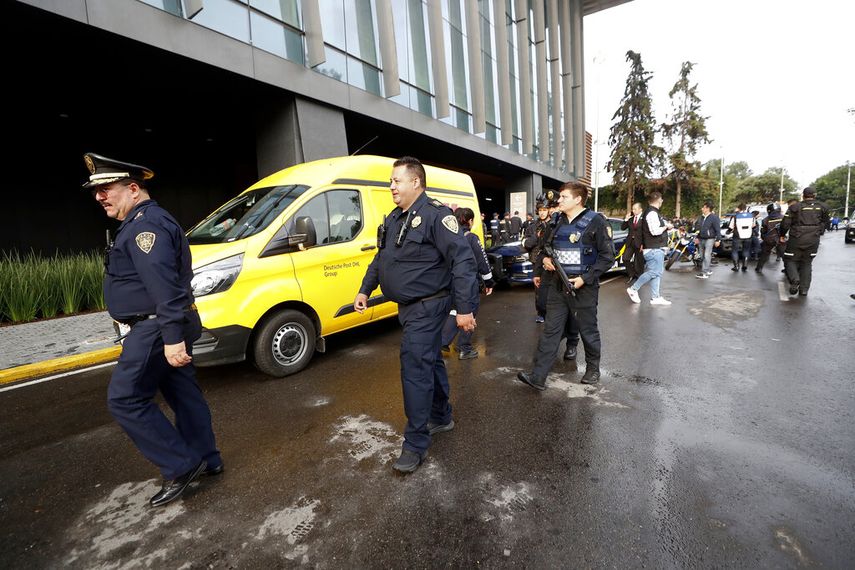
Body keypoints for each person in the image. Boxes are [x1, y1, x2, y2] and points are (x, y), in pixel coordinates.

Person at [83, 152, 222, 508]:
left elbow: (165, 287)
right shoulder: (145, 221)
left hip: (156, 327)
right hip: (163, 324)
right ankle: (207, 458)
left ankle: (181, 465)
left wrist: (173, 339)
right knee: (184, 395)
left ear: (132, 188)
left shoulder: (146, 227)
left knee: (125, 399)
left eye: (106, 188)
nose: (99, 196)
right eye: (95, 190)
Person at [354, 156, 478, 474]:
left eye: (396, 180)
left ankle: (416, 443)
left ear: (415, 182)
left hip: (429, 307)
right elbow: (381, 261)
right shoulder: (395, 219)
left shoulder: (437, 217)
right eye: (391, 181)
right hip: (408, 309)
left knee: (414, 367)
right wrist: (365, 289)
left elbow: (463, 261)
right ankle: (441, 416)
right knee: (430, 361)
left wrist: (464, 309)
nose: (391, 186)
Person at [517, 181, 614, 389]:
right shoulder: (556, 222)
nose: (558, 200)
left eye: (564, 197)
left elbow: (607, 258)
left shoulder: (596, 221)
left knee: (587, 330)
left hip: (583, 287)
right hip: (557, 285)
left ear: (578, 199)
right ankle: (538, 376)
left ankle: (592, 369)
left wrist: (584, 279)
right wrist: (544, 261)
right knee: (551, 330)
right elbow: (544, 249)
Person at [441, 207, 495, 359]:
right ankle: (464, 348)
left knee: (455, 310)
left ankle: (443, 341)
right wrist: (489, 281)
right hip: (468, 283)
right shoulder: (471, 238)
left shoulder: (447, 237)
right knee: (469, 312)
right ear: (470, 221)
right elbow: (482, 261)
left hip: (451, 282)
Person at [779, 187, 830, 296]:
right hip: (813, 239)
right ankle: (804, 290)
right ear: (814, 195)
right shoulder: (823, 207)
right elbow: (826, 223)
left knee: (790, 260)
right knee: (807, 263)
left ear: (803, 195)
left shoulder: (794, 207)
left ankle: (794, 279)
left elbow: (785, 224)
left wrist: (782, 235)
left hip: (796, 238)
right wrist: (819, 231)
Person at [626, 191, 674, 305]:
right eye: (661, 199)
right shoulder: (652, 213)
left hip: (654, 248)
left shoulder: (651, 212)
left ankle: (655, 297)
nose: (662, 201)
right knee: (654, 272)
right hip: (654, 248)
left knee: (657, 273)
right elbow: (655, 231)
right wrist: (666, 226)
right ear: (658, 200)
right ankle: (633, 289)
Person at [693, 201, 721, 279]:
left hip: (710, 239)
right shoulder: (700, 217)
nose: (702, 209)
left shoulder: (714, 217)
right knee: (701, 256)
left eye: (703, 207)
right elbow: (698, 228)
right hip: (701, 238)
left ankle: (704, 273)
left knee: (707, 254)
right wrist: (697, 238)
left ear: (707, 208)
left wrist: (718, 240)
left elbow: (718, 229)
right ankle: (707, 269)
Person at [755, 202, 784, 273]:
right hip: (781, 238)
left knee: (764, 254)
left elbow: (763, 231)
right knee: (784, 255)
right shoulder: (784, 217)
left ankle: (759, 268)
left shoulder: (765, 220)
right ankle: (788, 269)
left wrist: (764, 238)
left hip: (769, 239)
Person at [621, 202, 645, 281]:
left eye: (635, 209)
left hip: (640, 243)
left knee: (638, 261)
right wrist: (626, 219)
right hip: (630, 242)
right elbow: (623, 228)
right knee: (625, 258)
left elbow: (646, 232)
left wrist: (643, 244)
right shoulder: (631, 219)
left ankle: (639, 277)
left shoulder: (644, 218)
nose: (633, 210)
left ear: (640, 209)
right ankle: (631, 274)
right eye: (633, 209)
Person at [729, 204, 754, 272]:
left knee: (735, 251)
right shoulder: (751, 215)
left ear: (738, 208)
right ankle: (745, 265)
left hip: (737, 235)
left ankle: (736, 266)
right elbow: (753, 225)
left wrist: (728, 232)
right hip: (748, 235)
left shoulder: (735, 216)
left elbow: (731, 227)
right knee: (746, 250)